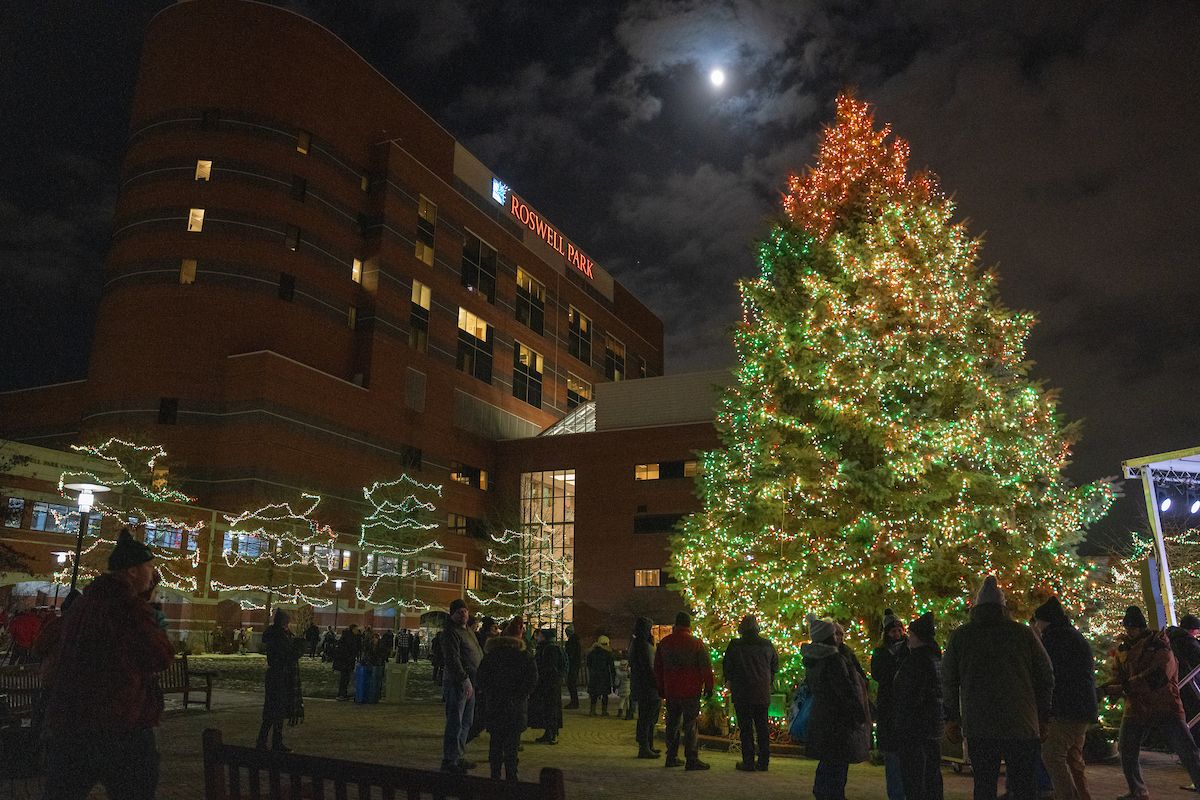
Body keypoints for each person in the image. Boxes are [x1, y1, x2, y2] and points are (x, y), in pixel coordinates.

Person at [41, 529, 177, 800]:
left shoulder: (84, 603)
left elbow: (44, 643)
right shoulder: (128, 607)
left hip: (72, 721)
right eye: (149, 566)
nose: (152, 573)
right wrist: (154, 620)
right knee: (135, 787)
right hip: (120, 721)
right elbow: (160, 655)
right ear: (132, 571)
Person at [942, 575, 1054, 800]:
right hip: (1021, 723)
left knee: (984, 785)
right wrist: (1043, 716)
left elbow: (948, 680)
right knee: (1024, 786)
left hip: (980, 724)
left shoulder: (961, 637)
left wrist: (952, 718)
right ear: (1003, 607)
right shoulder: (1023, 634)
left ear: (977, 607)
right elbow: (1046, 675)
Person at [1101, 605, 1200, 798]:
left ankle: (1138, 790)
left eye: (1132, 627)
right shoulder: (1125, 650)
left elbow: (1159, 675)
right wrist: (1109, 688)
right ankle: (1137, 790)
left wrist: (1126, 686)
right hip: (1140, 706)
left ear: (1140, 627)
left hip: (1163, 705)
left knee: (1186, 750)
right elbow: (1121, 677)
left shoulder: (1158, 645)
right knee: (1127, 748)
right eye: (1127, 627)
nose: (1129, 631)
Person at [1029, 596, 1096, 800]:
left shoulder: (1053, 639)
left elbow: (1047, 674)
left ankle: (1067, 796)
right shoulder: (1072, 635)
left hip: (1066, 709)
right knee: (1074, 758)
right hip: (1083, 708)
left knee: (1052, 755)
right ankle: (1083, 795)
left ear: (1044, 621)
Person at [803, 614, 870, 800]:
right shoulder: (833, 660)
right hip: (838, 719)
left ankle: (823, 791)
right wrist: (858, 713)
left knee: (828, 759)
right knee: (838, 762)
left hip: (823, 715)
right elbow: (845, 690)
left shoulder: (813, 659)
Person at [476, 616, 538, 781]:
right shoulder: (524, 656)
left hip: (495, 705)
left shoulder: (492, 655)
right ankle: (512, 777)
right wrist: (520, 695)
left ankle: (494, 775)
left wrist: (490, 692)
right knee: (512, 746)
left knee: (495, 743)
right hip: (515, 707)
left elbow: (481, 678)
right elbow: (532, 679)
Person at [891, 612, 944, 800]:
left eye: (911, 635)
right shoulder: (934, 657)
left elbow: (910, 695)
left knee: (915, 776)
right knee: (931, 774)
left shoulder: (917, 661)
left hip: (914, 727)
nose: (908, 639)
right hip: (931, 725)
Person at [654, 610, 714, 770]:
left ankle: (671, 756)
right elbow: (705, 667)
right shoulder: (696, 643)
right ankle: (691, 758)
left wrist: (661, 688)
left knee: (672, 724)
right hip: (691, 691)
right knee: (690, 725)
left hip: (671, 690)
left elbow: (658, 669)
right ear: (688, 625)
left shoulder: (664, 643)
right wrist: (709, 686)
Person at [723, 614, 779, 772]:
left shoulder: (735, 645)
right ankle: (763, 761)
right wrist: (767, 680)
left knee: (746, 728)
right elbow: (775, 665)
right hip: (761, 692)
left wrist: (731, 680)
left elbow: (728, 667)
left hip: (742, 692)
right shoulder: (767, 645)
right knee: (762, 727)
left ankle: (748, 761)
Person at [439, 598, 483, 773]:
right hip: (458, 683)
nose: (463, 614)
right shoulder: (450, 632)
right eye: (459, 611)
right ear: (453, 614)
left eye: (465, 611)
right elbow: (452, 659)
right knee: (455, 722)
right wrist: (464, 679)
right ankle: (450, 759)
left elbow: (477, 652)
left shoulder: (468, 631)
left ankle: (458, 755)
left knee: (466, 722)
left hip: (471, 683)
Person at [872, 609, 908, 800]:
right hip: (888, 705)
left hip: (904, 706)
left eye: (899, 630)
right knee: (892, 757)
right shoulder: (880, 652)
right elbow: (878, 674)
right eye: (893, 631)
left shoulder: (908, 649)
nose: (897, 634)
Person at [257, 608, 304, 751]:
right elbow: (286, 656)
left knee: (276, 712)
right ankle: (268, 742)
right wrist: (299, 649)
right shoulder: (278, 637)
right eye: (287, 621)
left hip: (278, 676)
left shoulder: (278, 635)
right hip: (279, 677)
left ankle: (269, 741)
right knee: (274, 711)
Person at [630, 617, 662, 758]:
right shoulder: (641, 645)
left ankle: (648, 744)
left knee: (649, 716)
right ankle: (644, 747)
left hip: (645, 686)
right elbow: (648, 668)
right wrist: (656, 683)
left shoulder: (639, 643)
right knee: (646, 717)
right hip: (647, 686)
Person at [1168, 613, 1200, 749]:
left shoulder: (1172, 640)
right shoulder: (1188, 642)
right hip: (1191, 686)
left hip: (1178, 684)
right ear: (1193, 629)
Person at [529, 627, 565, 744]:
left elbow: (549, 668)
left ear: (544, 637)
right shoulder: (550, 648)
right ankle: (549, 732)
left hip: (549, 684)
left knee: (550, 709)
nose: (537, 637)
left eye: (539, 635)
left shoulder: (549, 649)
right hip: (550, 684)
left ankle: (551, 734)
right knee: (549, 709)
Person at [587, 634, 617, 716]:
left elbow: (588, 664)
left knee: (594, 694)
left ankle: (592, 711)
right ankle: (604, 711)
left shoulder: (592, 652)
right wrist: (613, 679)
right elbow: (612, 667)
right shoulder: (608, 653)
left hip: (594, 675)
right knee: (605, 694)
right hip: (604, 676)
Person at [332, 623, 361, 701]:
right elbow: (351, 649)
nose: (357, 631)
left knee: (345, 678)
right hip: (345, 661)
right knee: (344, 678)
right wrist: (350, 658)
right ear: (352, 629)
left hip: (346, 661)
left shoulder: (348, 637)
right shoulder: (349, 638)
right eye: (356, 629)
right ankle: (342, 694)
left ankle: (342, 694)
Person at [564, 625, 582, 709]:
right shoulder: (575, 641)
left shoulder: (572, 642)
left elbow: (570, 654)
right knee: (571, 683)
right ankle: (574, 702)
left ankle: (574, 702)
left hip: (573, 665)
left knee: (571, 683)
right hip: (575, 664)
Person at [615, 652, 633, 719]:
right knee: (628, 701)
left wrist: (616, 685)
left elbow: (617, 680)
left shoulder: (619, 673)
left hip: (621, 688)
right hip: (628, 688)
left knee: (621, 701)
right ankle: (628, 713)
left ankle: (620, 712)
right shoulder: (628, 672)